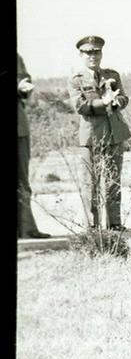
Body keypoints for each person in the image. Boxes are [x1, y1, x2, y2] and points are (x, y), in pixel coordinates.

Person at [67, 36, 131, 231]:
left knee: (113, 180)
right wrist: (103, 103)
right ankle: (93, 227)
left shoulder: (112, 75)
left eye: (96, 52)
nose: (92, 56)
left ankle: (114, 224)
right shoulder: (76, 80)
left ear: (101, 54)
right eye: (88, 53)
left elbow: (123, 98)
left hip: (114, 133)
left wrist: (116, 101)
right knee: (91, 182)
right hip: (92, 135)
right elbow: (80, 106)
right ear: (81, 55)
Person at [17, 54, 50, 239]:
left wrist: (23, 86)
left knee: (22, 180)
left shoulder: (17, 58)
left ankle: (26, 229)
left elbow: (24, 80)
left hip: (19, 127)